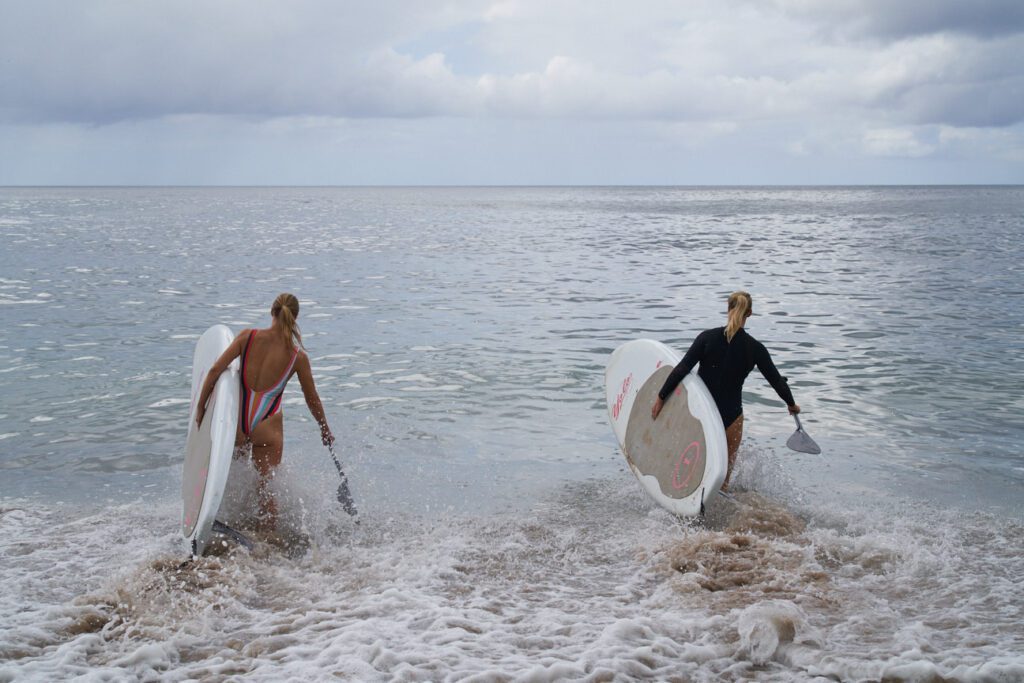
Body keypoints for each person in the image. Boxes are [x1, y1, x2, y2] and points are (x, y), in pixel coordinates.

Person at [196, 293, 334, 530]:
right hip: (267, 426)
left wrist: (201, 408)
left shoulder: (247, 337)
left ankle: (227, 523)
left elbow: (215, 370)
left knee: (233, 480)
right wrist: (324, 429)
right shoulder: (297, 357)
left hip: (239, 424)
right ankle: (268, 541)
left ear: (272, 312)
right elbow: (312, 399)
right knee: (266, 489)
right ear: (295, 317)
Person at [651, 291, 800, 491]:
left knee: (690, 470)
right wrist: (791, 404)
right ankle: (719, 514)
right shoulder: (755, 348)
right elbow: (777, 382)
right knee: (723, 478)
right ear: (750, 313)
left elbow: (682, 369)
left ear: (728, 308)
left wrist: (661, 398)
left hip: (701, 413)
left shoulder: (707, 338)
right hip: (732, 417)